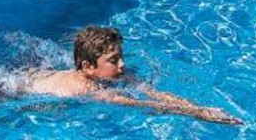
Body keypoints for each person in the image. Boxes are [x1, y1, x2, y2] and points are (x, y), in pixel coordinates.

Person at [27, 25, 243, 125]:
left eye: (121, 57)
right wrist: (196, 114)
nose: (122, 65)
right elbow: (142, 103)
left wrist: (199, 108)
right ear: (88, 67)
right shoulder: (88, 89)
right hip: (23, 89)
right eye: (113, 61)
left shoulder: (118, 73)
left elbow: (154, 94)